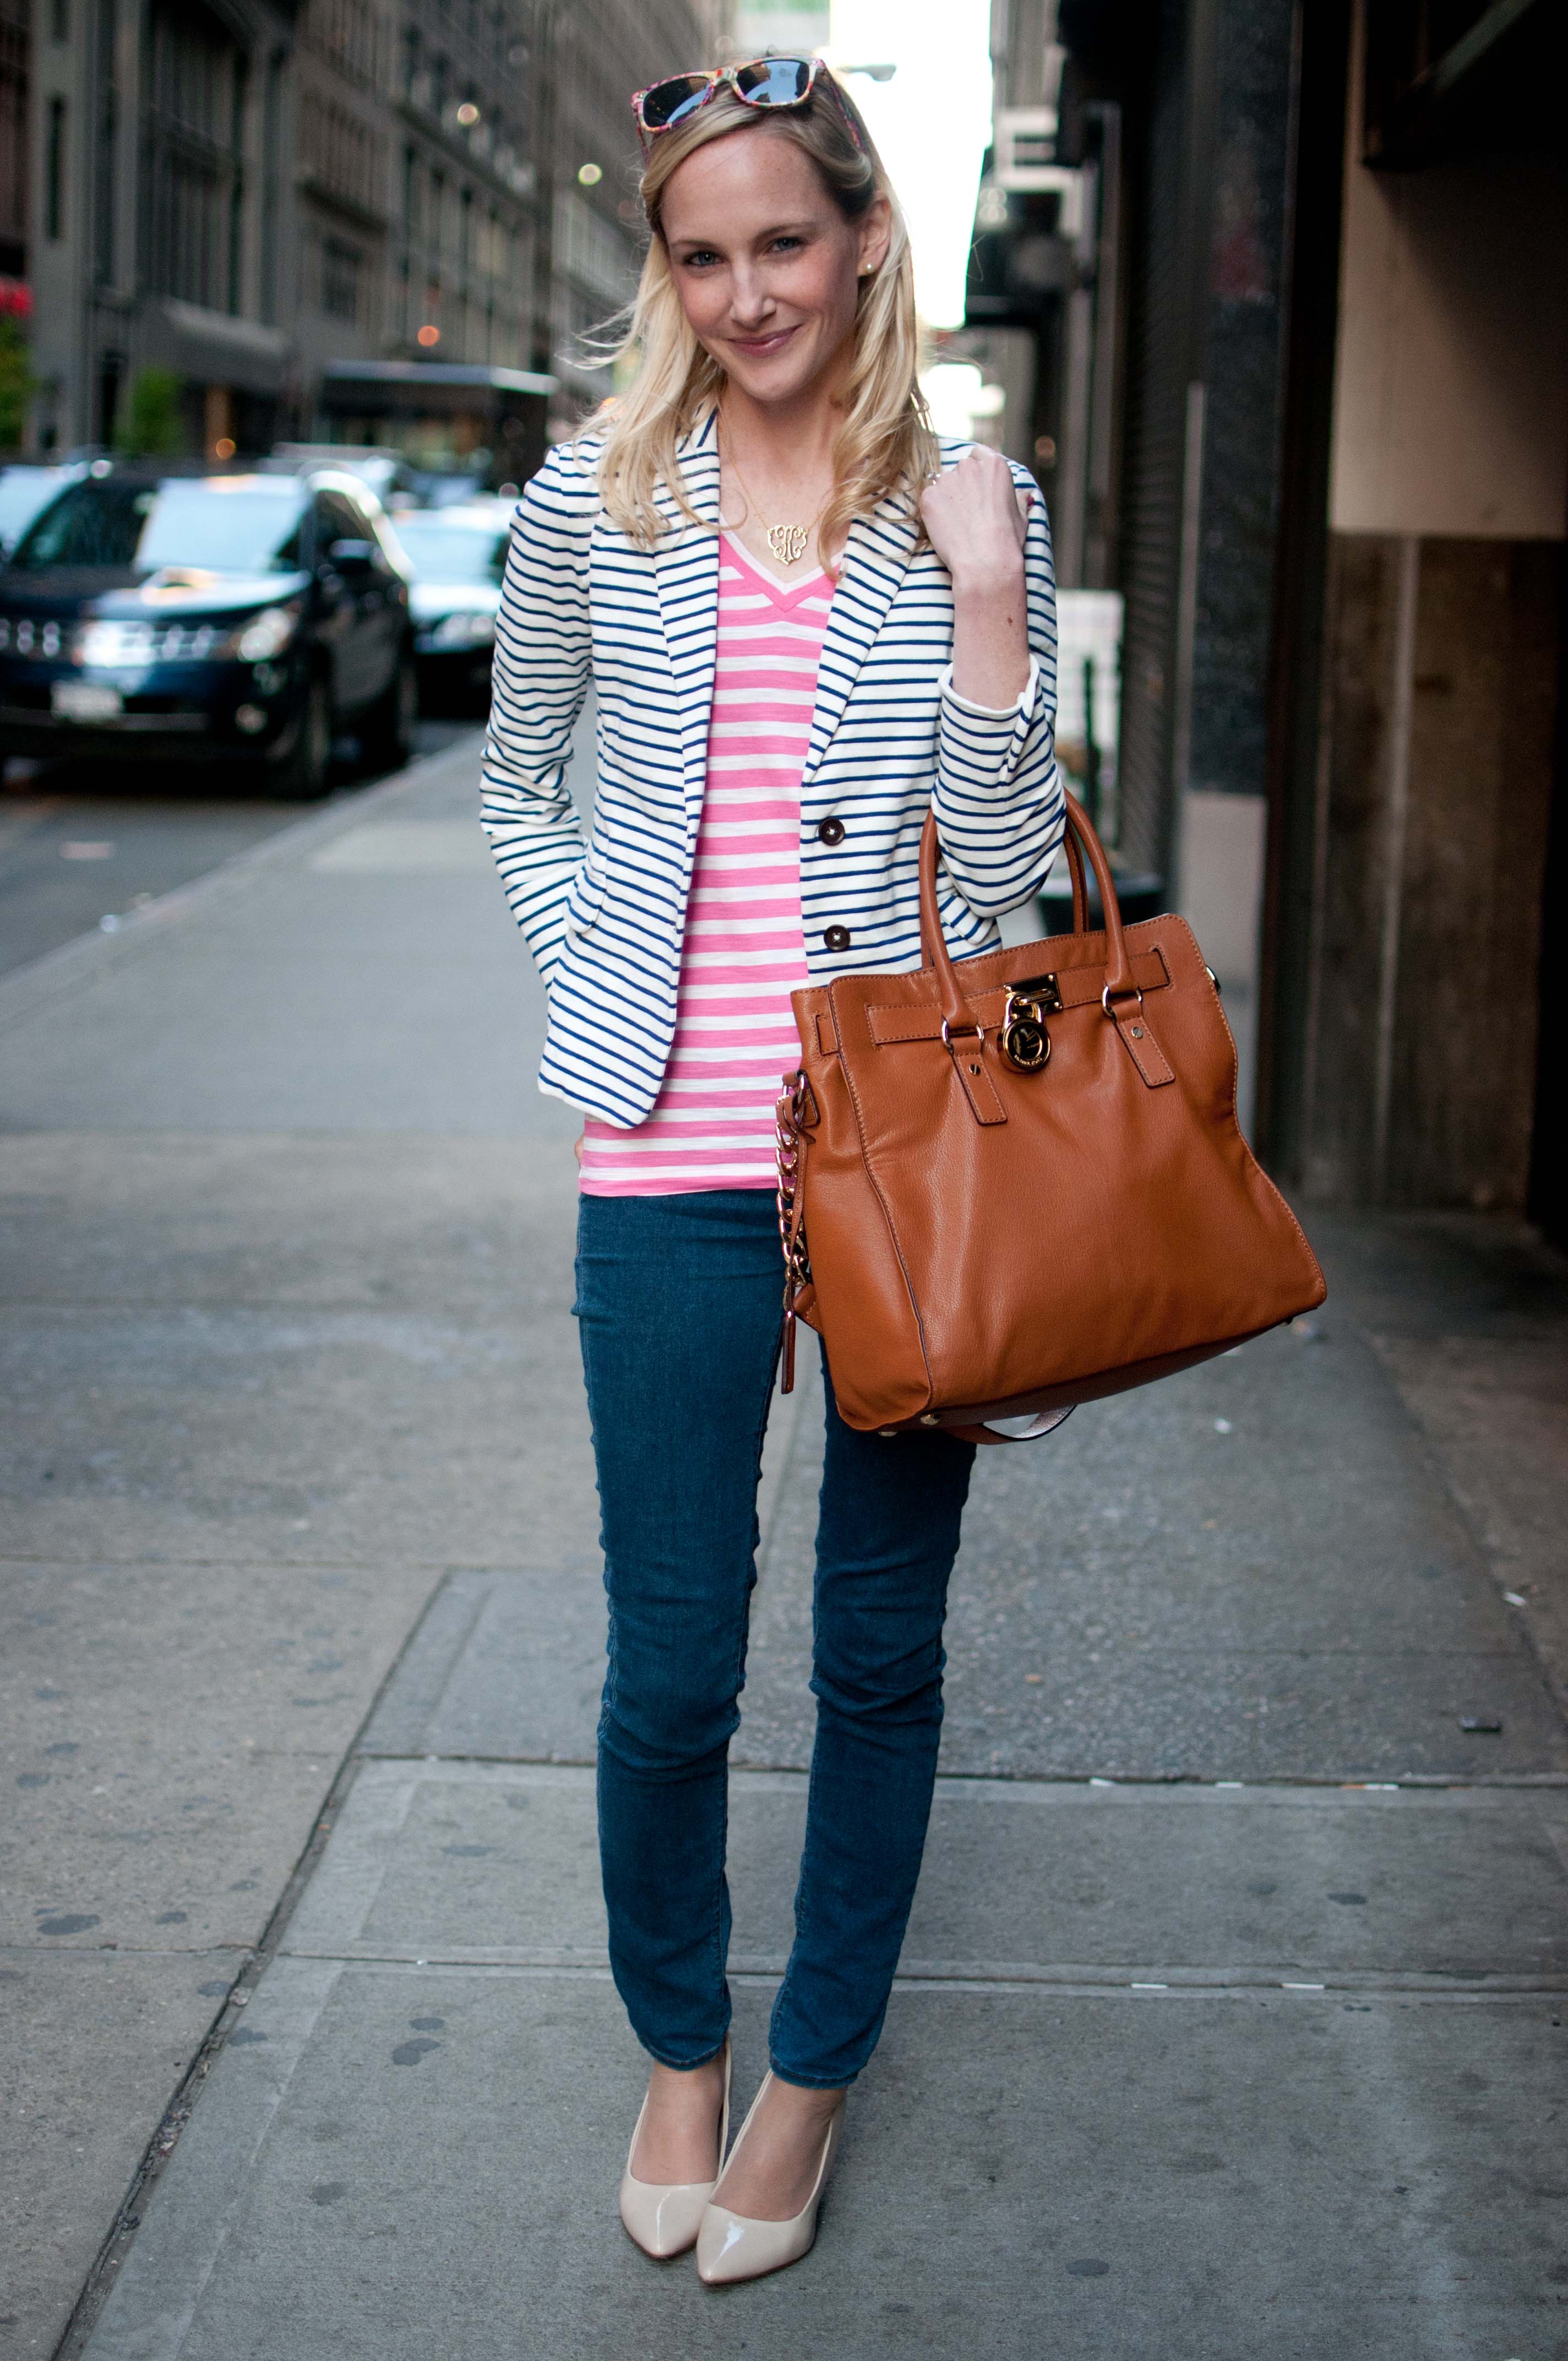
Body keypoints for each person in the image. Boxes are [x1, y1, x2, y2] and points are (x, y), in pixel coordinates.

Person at [481, 55, 1063, 2286]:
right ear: (670, 271)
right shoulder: (588, 502)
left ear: (866, 242)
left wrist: (994, 616)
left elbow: (1005, 888)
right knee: (667, 1669)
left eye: (783, 245)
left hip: (905, 1167)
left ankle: (809, 2078)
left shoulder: (963, 494)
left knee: (880, 1656)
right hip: (665, 1157)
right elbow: (521, 783)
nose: (746, 295)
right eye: (701, 255)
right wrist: (597, 961)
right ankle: (679, 2048)